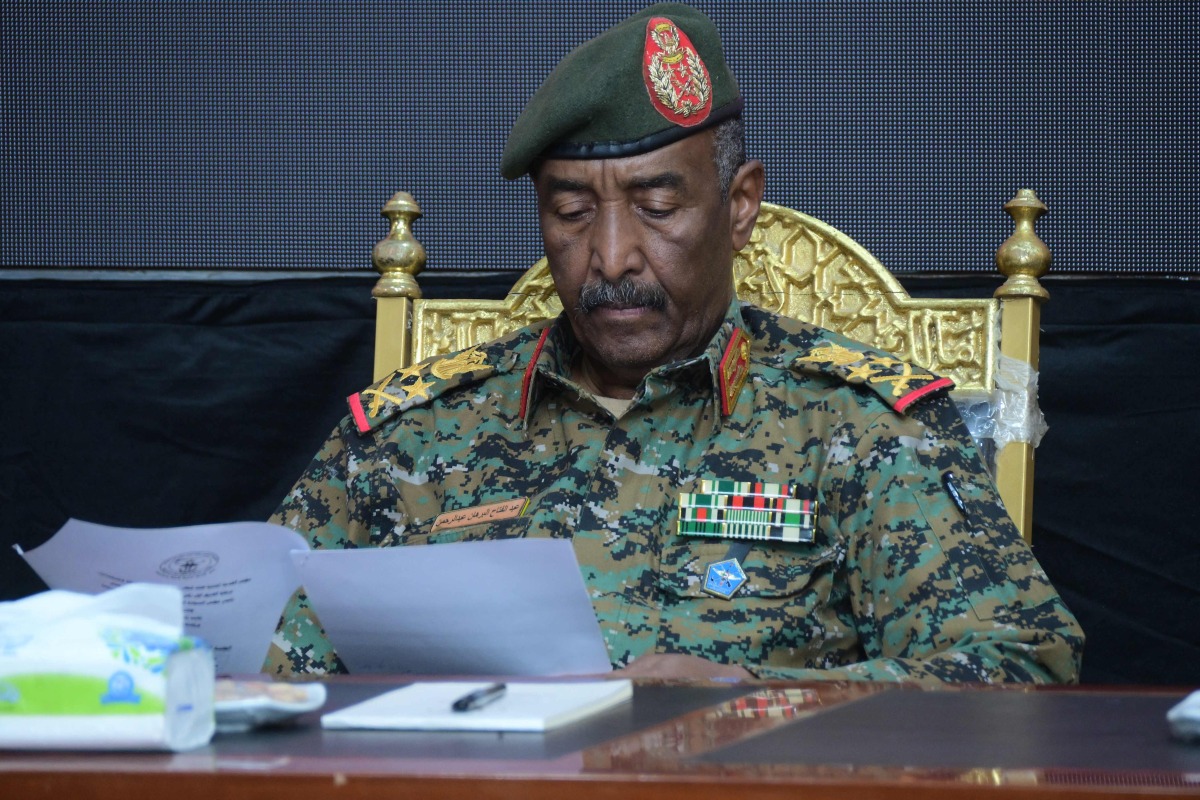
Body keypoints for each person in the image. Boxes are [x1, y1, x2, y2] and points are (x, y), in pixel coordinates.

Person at [263, 3, 1083, 683]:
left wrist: (759, 696)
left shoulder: (861, 429)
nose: (611, 254)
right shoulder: (413, 435)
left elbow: (1022, 666)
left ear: (739, 205)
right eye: (572, 211)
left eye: (657, 206)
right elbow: (249, 661)